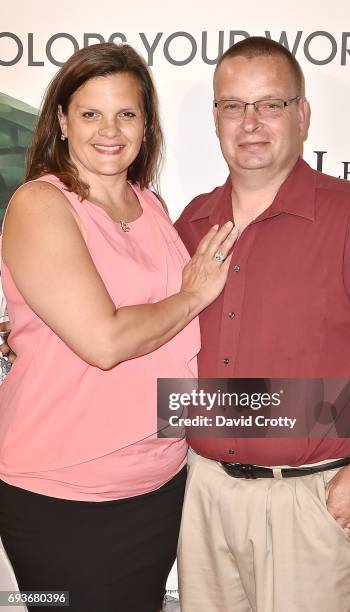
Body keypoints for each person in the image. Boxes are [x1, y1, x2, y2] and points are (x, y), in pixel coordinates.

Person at [0, 42, 237, 612]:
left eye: (126, 113)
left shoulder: (149, 203)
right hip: (64, 491)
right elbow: (103, 341)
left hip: (156, 482)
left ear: (146, 123)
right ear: (60, 120)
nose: (110, 130)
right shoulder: (40, 204)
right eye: (90, 114)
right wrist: (193, 294)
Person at [175, 37, 350, 612]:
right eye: (233, 105)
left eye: (270, 104)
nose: (250, 122)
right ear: (216, 119)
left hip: (318, 497)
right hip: (205, 492)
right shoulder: (191, 222)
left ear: (301, 115)